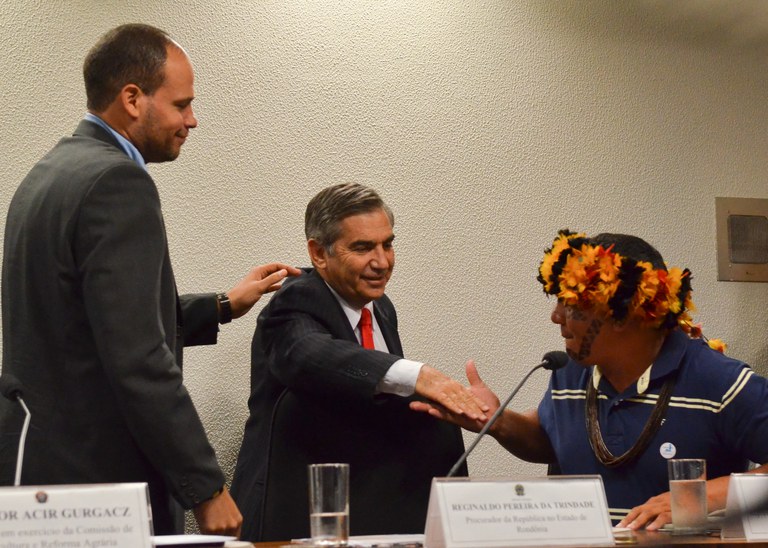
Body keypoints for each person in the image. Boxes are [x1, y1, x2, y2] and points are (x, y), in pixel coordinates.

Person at [0, 23, 300, 537]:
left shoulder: (49, 172)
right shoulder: (119, 182)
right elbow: (137, 356)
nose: (193, 120)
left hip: (39, 463)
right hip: (96, 481)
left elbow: (88, 320)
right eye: (182, 104)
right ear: (133, 98)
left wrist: (224, 304)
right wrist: (205, 485)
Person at [411, 230, 768, 530]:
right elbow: (550, 442)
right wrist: (500, 422)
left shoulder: (718, 380)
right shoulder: (570, 371)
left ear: (627, 314)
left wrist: (700, 498)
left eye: (574, 309)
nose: (556, 317)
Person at [230, 182, 489, 541]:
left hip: (367, 512)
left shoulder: (380, 307)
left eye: (388, 244)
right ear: (319, 253)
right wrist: (417, 375)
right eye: (363, 248)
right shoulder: (296, 299)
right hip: (292, 516)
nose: (382, 262)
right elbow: (308, 355)